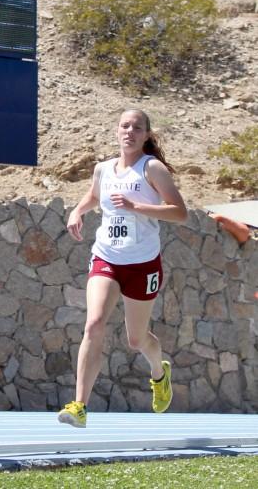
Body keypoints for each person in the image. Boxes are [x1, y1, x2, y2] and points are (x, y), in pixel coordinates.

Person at [58, 109, 187, 428]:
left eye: (137, 127)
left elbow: (179, 212)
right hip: (106, 257)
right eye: (124, 126)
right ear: (117, 131)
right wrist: (77, 211)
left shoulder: (152, 169)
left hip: (142, 264)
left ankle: (160, 372)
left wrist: (136, 207)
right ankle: (79, 406)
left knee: (136, 339)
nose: (130, 131)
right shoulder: (103, 169)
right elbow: (93, 196)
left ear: (146, 135)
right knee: (94, 324)